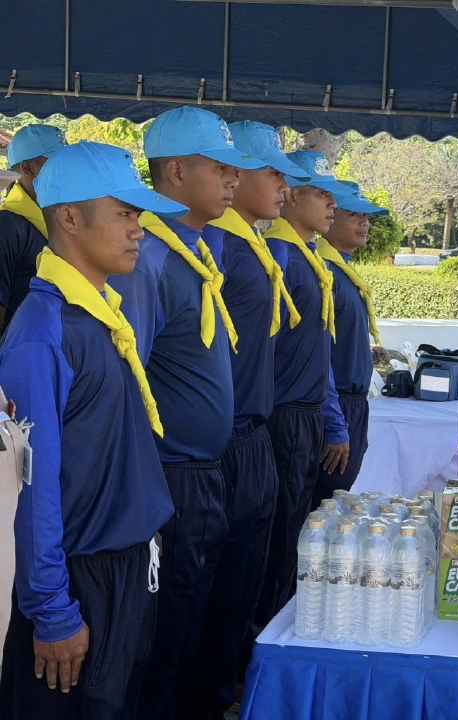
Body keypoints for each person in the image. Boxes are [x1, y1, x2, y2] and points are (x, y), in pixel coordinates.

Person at [0, 142, 184, 718]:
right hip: (80, 581)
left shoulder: (102, 311)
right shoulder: (43, 332)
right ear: (70, 218)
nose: (139, 231)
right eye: (124, 214)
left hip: (126, 566)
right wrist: (52, 609)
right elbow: (32, 486)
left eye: (139, 216)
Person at [106, 106, 264, 720]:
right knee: (165, 642)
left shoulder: (199, 245)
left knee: (198, 628)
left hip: (208, 471)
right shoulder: (147, 258)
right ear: (175, 170)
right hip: (172, 478)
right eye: (221, 168)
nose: (232, 180)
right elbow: (128, 380)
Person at [187, 122, 309, 717]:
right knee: (208, 598)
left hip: (255, 432)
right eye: (273, 172)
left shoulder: (254, 247)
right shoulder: (216, 248)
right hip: (223, 440)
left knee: (246, 587)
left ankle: (231, 687)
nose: (279, 186)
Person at [250, 149, 348, 646]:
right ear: (290, 194)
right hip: (283, 416)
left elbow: (320, 351)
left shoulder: (308, 257)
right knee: (275, 547)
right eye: (320, 193)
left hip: (307, 414)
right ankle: (263, 646)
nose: (331, 204)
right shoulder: (282, 258)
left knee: (294, 540)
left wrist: (330, 419)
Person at [312, 181, 389, 504]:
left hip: (353, 405)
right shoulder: (325, 273)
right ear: (330, 218)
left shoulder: (343, 270)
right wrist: (336, 424)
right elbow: (320, 359)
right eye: (354, 214)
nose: (364, 223)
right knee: (319, 509)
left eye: (367, 216)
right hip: (336, 406)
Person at [0, 124, 67, 330]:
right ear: (28, 169)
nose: (68, 171)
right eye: (58, 163)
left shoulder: (61, 219)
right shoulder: (7, 227)